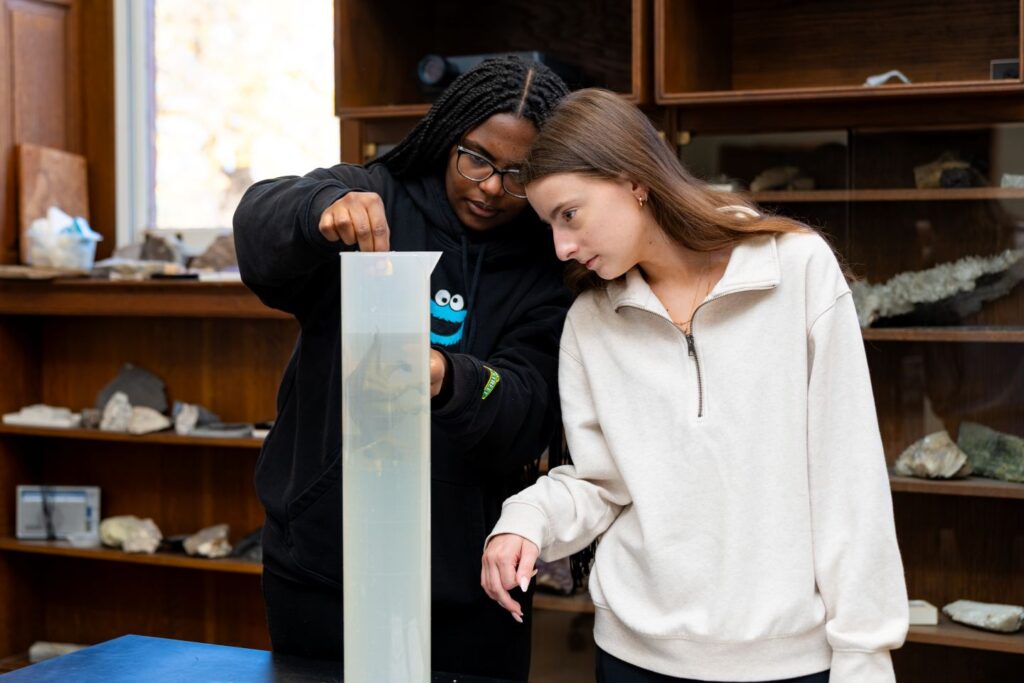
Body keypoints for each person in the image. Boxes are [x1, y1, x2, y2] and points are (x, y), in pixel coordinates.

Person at [481, 88, 909, 683]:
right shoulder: (589, 321)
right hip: (632, 658)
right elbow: (601, 485)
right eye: (550, 225)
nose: (562, 246)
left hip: (789, 662)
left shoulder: (798, 269)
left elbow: (848, 475)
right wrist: (524, 519)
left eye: (569, 214)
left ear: (633, 179)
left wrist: (865, 653)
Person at [233, 55, 571, 680]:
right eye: (477, 158)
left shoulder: (549, 262)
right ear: (448, 138)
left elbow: (526, 407)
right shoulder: (374, 195)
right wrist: (318, 211)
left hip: (474, 585)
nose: (492, 186)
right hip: (321, 567)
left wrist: (450, 377)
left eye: (520, 173)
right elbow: (257, 225)